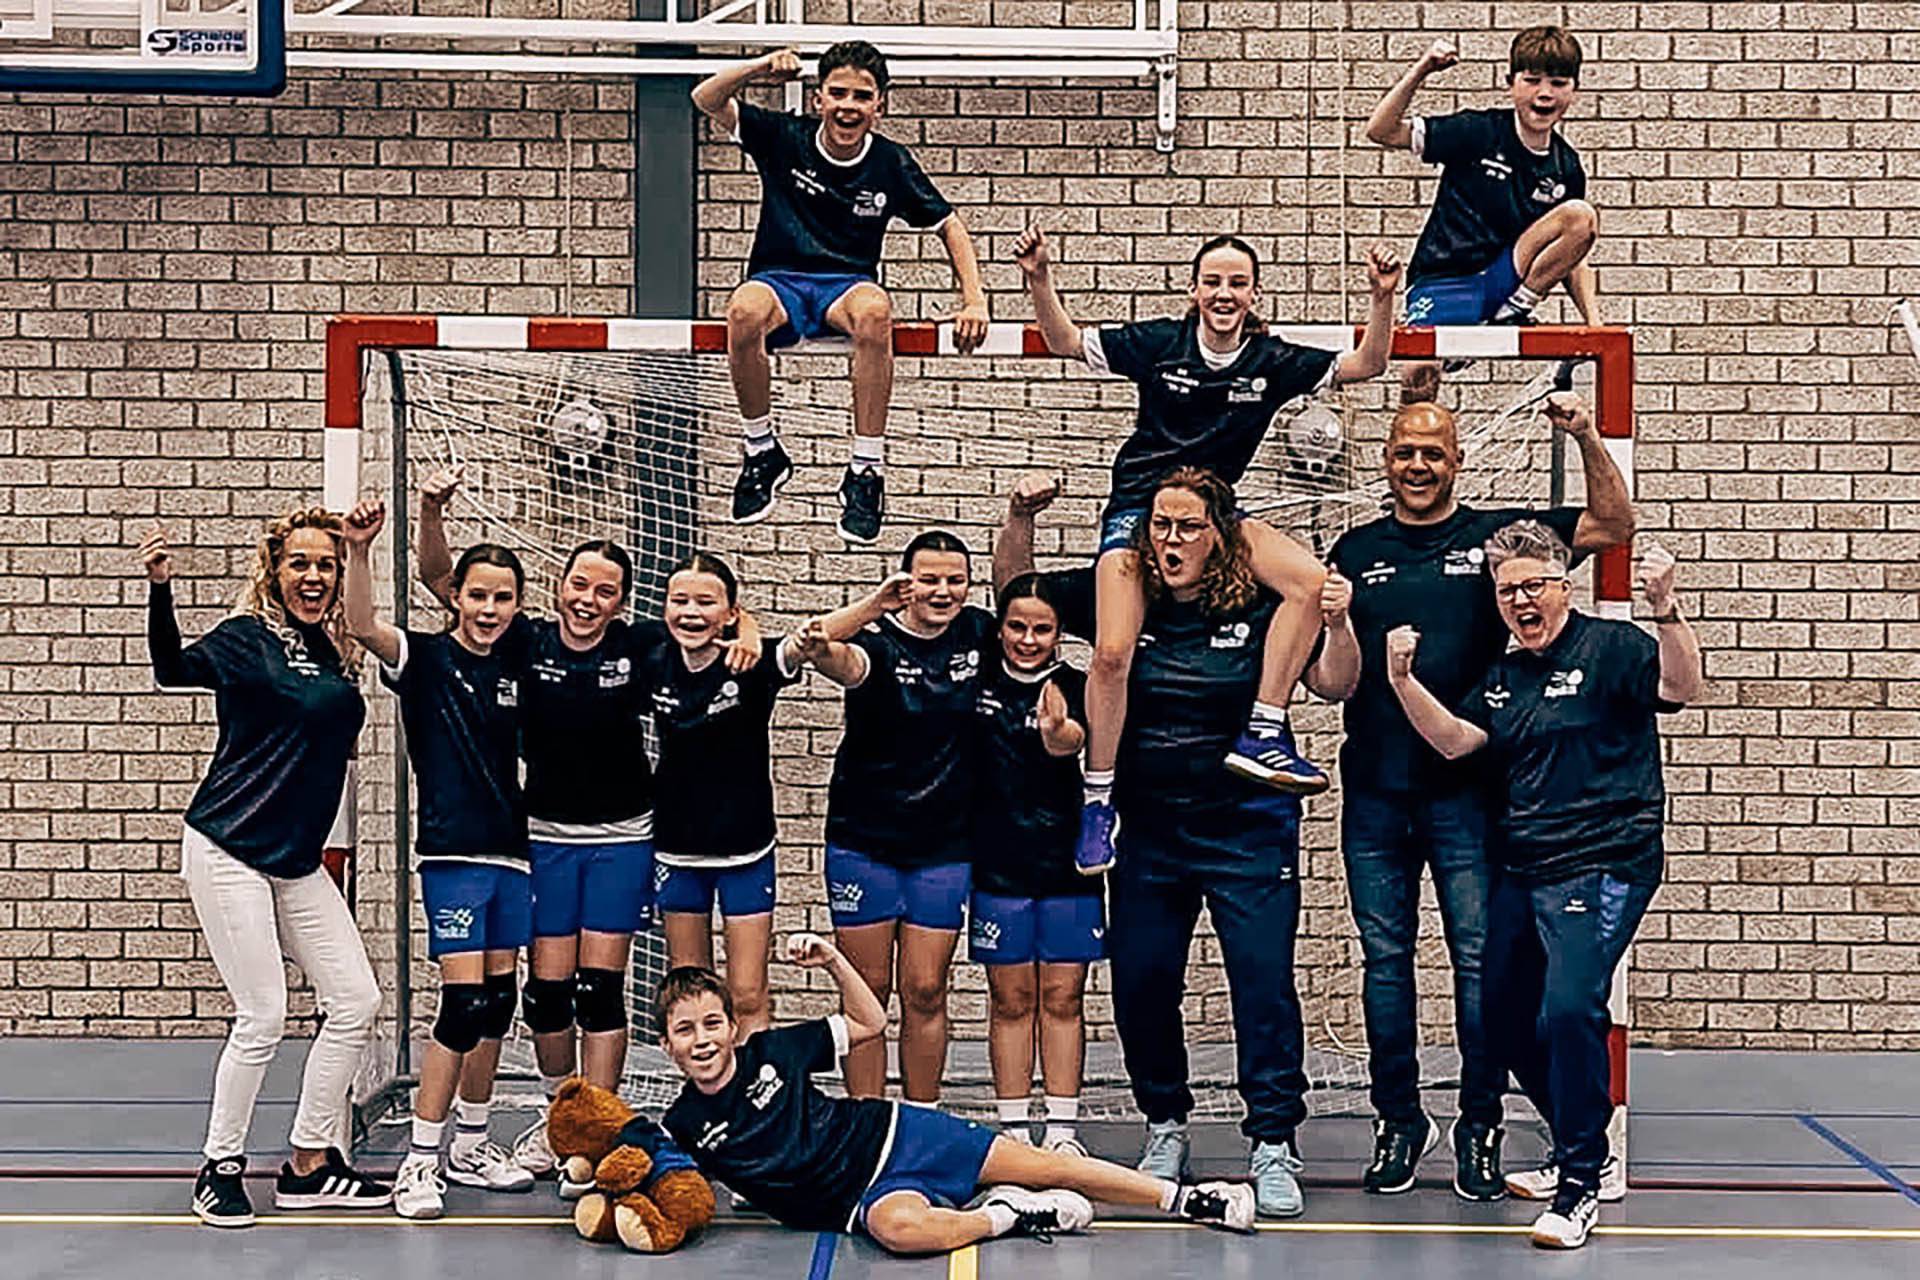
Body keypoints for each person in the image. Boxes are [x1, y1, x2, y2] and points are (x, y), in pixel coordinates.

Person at [1324, 392, 1634, 1200]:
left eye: (1433, 452)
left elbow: (1613, 525)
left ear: (1458, 462)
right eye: (1405, 451)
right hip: (1376, 796)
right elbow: (1333, 679)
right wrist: (1337, 628)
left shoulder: (1497, 540)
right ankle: (1399, 1119)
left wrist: (1585, 434)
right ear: (1385, 460)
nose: (1418, 465)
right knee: (1385, 963)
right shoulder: (1354, 550)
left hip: (1471, 796)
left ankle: (1480, 1125)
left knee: (1477, 968)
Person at [1014, 226, 1396, 876]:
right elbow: (1065, 341)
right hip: (1142, 509)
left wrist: (1381, 298)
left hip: (1216, 515)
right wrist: (1039, 278)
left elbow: (1367, 365)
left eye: (1237, 283)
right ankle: (1099, 799)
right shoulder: (1160, 344)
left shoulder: (1270, 359)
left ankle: (1264, 728)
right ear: (1194, 290)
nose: (1224, 293)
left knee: (1310, 583)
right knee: (1112, 652)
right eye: (1213, 281)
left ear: (1253, 294)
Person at [411, 467, 756, 1185]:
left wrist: (746, 625)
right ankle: (560, 1117)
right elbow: (441, 579)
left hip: (622, 838)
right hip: (542, 838)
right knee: (545, 995)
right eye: (579, 586)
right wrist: (432, 510)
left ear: (621, 603)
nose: (588, 600)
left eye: (605, 591)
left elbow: (713, 627)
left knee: (600, 990)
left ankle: (597, 1127)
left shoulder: (638, 647)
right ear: (558, 588)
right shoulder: (524, 639)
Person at [1386, 523, 1700, 1249]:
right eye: (1507, 592)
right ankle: (1577, 1141)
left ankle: (1583, 1184)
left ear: (1564, 586)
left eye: (1533, 586)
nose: (1521, 601)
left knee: (1568, 1009)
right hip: (1525, 864)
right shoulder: (1504, 677)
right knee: (1498, 1018)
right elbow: (1457, 741)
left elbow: (1681, 687)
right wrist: (1403, 681)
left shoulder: (1613, 646)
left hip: (1606, 859)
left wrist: (1667, 610)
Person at [1064, 467, 1358, 1219]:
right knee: (1142, 982)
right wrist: (1018, 524)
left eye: (1189, 526)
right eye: (1160, 525)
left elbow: (1335, 684)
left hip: (1247, 828)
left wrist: (1338, 622)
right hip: (1151, 829)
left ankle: (1273, 1140)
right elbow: (1018, 596)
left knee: (1262, 986)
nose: (1172, 541)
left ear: (1221, 536)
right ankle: (1165, 1122)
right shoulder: (1126, 601)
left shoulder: (1264, 604)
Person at [657, 936, 1257, 1255]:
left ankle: (1190, 1199)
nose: (702, 1040)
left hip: (896, 1136)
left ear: (732, 1027)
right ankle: (1007, 1215)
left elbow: (869, 1022)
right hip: (858, 1202)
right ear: (666, 1046)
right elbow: (660, 1182)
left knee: (1047, 1165)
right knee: (900, 1234)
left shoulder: (773, 1051)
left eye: (712, 1024)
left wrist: (835, 961)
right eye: (685, 1030)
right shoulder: (682, 1124)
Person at [140, 515, 390, 1228]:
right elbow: (172, 669)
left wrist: (362, 552)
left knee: (356, 1000)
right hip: (229, 846)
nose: (314, 576)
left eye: (326, 566)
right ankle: (219, 1167)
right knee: (264, 1014)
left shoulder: (331, 649)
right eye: (299, 564)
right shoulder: (247, 638)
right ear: (275, 572)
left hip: (294, 859)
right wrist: (161, 589)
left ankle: (310, 1163)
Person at [693, 40, 989, 544]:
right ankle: (761, 450)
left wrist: (975, 299)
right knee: (742, 310)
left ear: (879, 106)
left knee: (876, 311)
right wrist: (761, 66)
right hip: (779, 280)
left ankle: (865, 470)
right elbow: (705, 97)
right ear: (819, 99)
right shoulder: (784, 137)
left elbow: (949, 225)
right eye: (838, 93)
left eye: (862, 96)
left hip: (846, 285)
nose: (848, 106)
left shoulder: (891, 162)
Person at [342, 499, 535, 1220]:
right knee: (462, 1005)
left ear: (517, 605)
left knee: (499, 1003)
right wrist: (361, 549)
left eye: (503, 598)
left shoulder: (518, 658)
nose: (489, 609)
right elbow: (362, 625)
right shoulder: (423, 658)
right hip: (453, 854)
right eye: (477, 595)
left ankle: (472, 1143)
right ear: (456, 596)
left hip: (512, 852)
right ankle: (420, 1159)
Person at [648, 554, 909, 1040]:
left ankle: (753, 1085)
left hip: (745, 851)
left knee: (747, 993)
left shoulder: (753, 663)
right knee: (690, 995)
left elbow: (809, 638)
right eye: (679, 600)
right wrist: (747, 624)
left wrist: (874, 605)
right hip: (677, 851)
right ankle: (700, 1087)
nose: (691, 612)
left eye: (706, 602)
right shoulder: (651, 654)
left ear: (730, 611)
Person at [799, 531, 993, 1103]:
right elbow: (819, 648)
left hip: (945, 846)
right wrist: (871, 606)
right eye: (928, 579)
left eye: (955, 580)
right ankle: (867, 1120)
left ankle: (921, 1115)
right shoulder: (876, 643)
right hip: (865, 844)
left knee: (926, 989)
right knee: (868, 989)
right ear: (905, 583)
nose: (942, 591)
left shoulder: (978, 632)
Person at [1367, 27, 1597, 394]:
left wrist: (1596, 328)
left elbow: (1572, 255)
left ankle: (1512, 311)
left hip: (1506, 281)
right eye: (1532, 80)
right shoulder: (1477, 131)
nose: (1544, 93)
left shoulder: (1566, 166)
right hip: (1445, 282)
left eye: (1558, 83)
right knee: (1418, 373)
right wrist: (1423, 68)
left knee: (1581, 216)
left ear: (1574, 90)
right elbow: (1381, 131)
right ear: (1510, 84)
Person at [966, 573, 1098, 1153]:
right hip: (998, 866)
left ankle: (1063, 1131)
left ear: (1059, 633)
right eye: (1017, 626)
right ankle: (1016, 1131)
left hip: (1067, 867)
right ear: (1000, 627)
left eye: (1041, 629)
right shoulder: (978, 679)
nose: (1027, 639)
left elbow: (1076, 740)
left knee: (1064, 998)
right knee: (1011, 1000)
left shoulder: (1077, 685)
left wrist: (1058, 732)